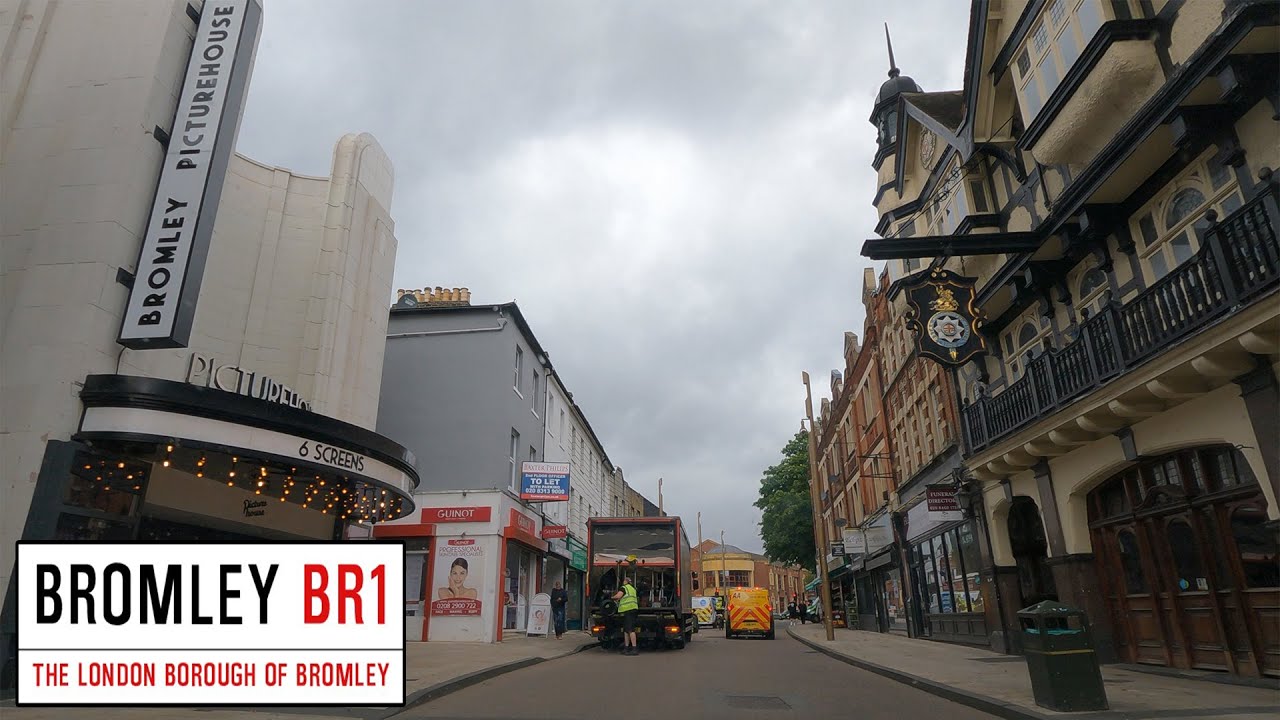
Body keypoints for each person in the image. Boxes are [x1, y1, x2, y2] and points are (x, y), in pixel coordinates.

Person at [611, 576, 639, 655]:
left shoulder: (624, 588)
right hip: (632, 610)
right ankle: (626, 648)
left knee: (630, 630)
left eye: (624, 580)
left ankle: (634, 648)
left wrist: (611, 597)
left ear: (626, 581)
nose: (623, 582)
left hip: (628, 610)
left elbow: (618, 596)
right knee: (626, 630)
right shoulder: (633, 589)